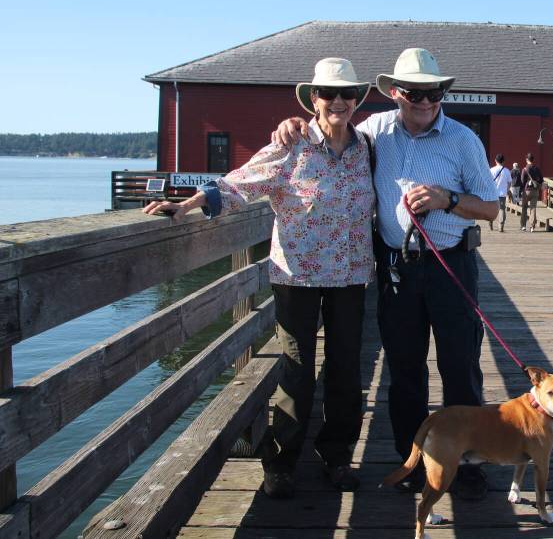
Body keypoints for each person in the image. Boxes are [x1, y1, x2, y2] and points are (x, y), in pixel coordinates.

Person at [272, 48, 499, 500]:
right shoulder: (374, 132)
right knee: (405, 371)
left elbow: (491, 208)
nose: (425, 100)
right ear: (395, 93)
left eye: (433, 92)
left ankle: (467, 463)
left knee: (460, 368)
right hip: (397, 269)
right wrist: (291, 125)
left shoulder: (462, 140)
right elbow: (328, 132)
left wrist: (446, 200)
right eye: (414, 92)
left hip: (451, 264)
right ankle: (412, 459)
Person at [143, 57, 374, 499]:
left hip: (351, 275)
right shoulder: (291, 146)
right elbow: (237, 185)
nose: (339, 101)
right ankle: (281, 462)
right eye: (330, 94)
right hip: (296, 277)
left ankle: (338, 454)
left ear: (358, 100)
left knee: (346, 369)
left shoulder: (367, 147)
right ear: (314, 99)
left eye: (348, 94)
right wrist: (186, 206)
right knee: (298, 370)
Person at [520, 152, 544, 232]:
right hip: (535, 191)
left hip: (527, 191)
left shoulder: (525, 169)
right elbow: (541, 180)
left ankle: (523, 226)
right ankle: (532, 226)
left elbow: (522, 181)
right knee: (533, 208)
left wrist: (521, 191)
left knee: (524, 208)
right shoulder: (537, 168)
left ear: (527, 159)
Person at [489, 153, 512, 232]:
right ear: (503, 161)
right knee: (502, 209)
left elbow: (488, 181)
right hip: (502, 194)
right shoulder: (507, 171)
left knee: (491, 208)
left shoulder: (491, 170)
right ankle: (501, 226)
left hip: (492, 193)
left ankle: (490, 222)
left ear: (495, 161)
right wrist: (507, 189)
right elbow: (509, 183)